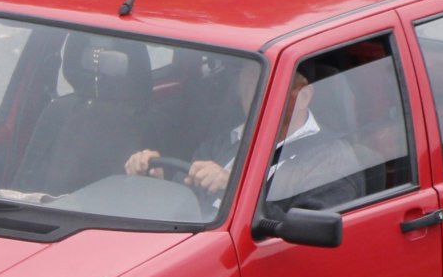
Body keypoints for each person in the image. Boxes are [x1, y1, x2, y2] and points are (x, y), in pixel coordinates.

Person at [126, 62, 364, 213]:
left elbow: (303, 237)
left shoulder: (331, 160)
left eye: (266, 80)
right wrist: (160, 180)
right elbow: (189, 195)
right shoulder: (225, 141)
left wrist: (235, 190)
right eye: (248, 78)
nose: (254, 87)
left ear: (302, 97)